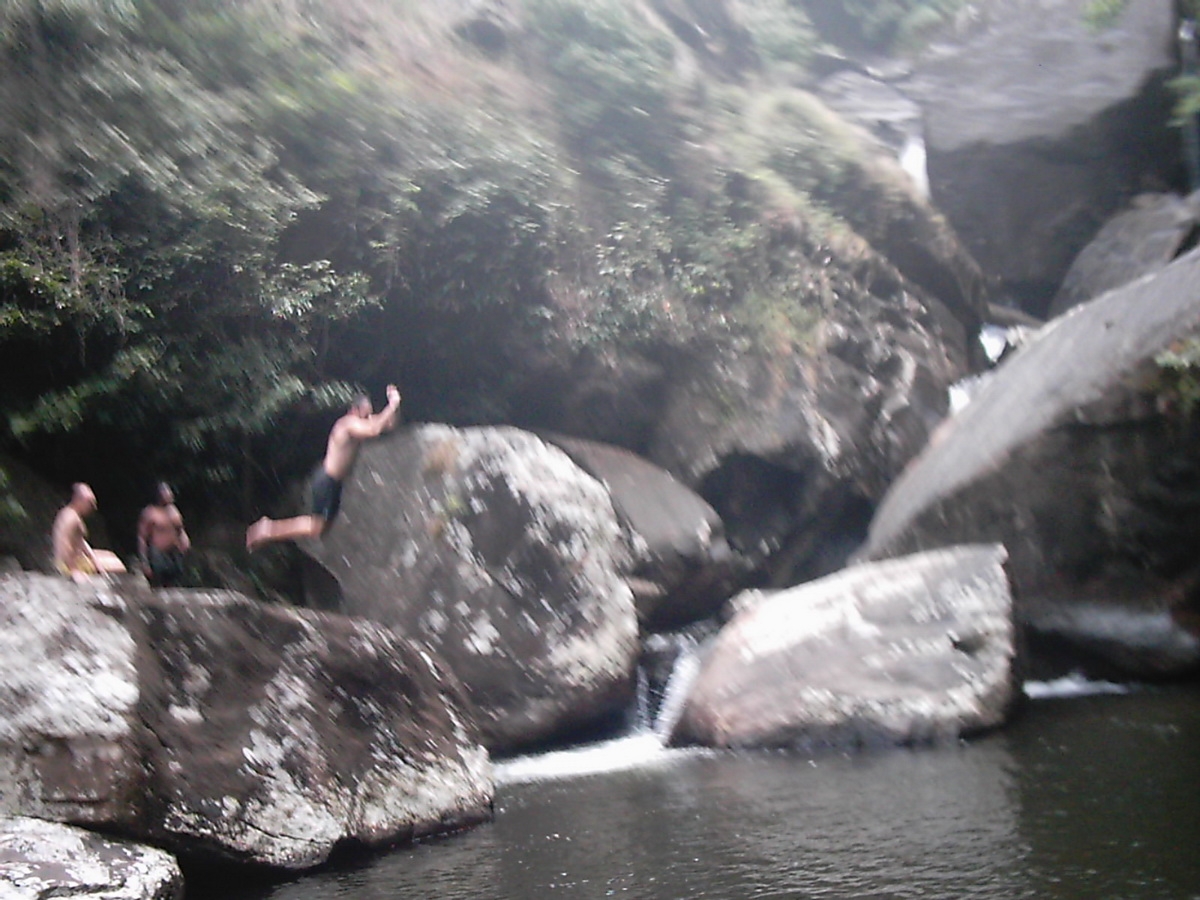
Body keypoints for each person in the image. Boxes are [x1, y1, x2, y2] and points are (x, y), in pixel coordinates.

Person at [246, 384, 402, 550]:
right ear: (355, 410)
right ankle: (268, 528)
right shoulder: (347, 424)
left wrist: (395, 406)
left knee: (321, 530)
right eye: (365, 414)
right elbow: (374, 429)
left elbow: (389, 424)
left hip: (335, 483)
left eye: (369, 414)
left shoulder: (359, 423)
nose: (368, 417)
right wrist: (392, 404)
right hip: (326, 480)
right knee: (315, 526)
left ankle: (269, 530)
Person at [51, 482, 127, 582]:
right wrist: (74, 571)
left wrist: (96, 561)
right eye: (90, 503)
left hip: (75, 559)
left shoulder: (71, 514)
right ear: (79, 500)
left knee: (110, 555)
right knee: (118, 564)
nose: (93, 507)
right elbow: (63, 543)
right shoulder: (71, 518)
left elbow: (80, 541)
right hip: (66, 565)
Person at [137, 481, 190, 587]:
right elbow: (142, 538)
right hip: (157, 554)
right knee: (158, 585)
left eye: (169, 492)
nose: (170, 494)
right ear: (160, 494)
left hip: (173, 554)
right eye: (166, 492)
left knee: (175, 582)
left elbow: (180, 530)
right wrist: (144, 561)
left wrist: (185, 540)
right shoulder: (150, 513)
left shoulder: (175, 512)